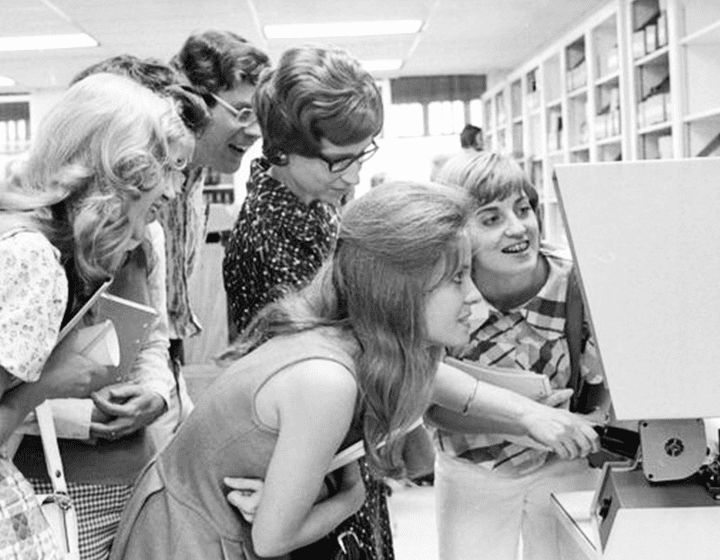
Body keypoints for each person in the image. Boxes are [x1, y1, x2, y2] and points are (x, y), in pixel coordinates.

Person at [109, 180, 479, 560]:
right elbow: (273, 538)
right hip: (187, 544)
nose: (473, 295)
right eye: (457, 278)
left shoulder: (345, 349)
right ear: (397, 287)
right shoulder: (327, 379)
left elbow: (411, 460)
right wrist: (354, 496)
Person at [11, 72, 194, 560]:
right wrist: (54, 391)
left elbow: (151, 334)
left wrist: (156, 392)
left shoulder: (121, 242)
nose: (173, 196)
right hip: (43, 478)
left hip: (126, 470)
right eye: (160, 182)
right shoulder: (34, 259)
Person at [220, 44, 387, 558]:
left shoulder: (314, 204)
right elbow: (337, 352)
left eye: (365, 153)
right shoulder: (270, 233)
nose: (355, 176)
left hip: (332, 454)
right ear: (282, 150)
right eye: (340, 161)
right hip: (309, 473)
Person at [429, 151, 607, 560]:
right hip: (473, 467)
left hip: (564, 465)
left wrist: (587, 419)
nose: (518, 228)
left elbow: (601, 381)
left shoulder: (577, 281)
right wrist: (521, 421)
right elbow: (434, 405)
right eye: (491, 218)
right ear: (455, 233)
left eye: (523, 208)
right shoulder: (443, 294)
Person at [163, 30, 270, 364]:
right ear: (192, 104)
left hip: (168, 347)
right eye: (242, 112)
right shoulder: (150, 183)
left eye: (259, 116)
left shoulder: (195, 177)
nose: (255, 131)